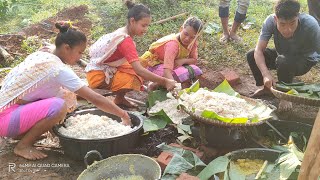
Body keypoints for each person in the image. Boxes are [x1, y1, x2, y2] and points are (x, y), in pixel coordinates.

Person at [0, 22, 132, 160]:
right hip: (5, 121)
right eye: (80, 52)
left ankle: (20, 133)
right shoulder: (58, 69)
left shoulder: (43, 55)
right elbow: (95, 98)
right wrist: (123, 114)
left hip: (6, 113)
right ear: (67, 48)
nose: (80, 57)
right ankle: (23, 146)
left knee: (64, 95)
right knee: (59, 106)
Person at [85, 0, 176, 108]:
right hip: (98, 76)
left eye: (147, 26)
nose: (146, 29)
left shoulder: (123, 32)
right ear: (132, 21)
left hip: (99, 68)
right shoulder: (125, 40)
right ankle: (117, 97)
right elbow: (139, 70)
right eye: (143, 25)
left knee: (141, 62)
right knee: (136, 76)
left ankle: (120, 98)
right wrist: (165, 81)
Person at [246, 0, 320, 111]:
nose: (288, 29)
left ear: (298, 17)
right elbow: (259, 51)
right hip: (283, 54)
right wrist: (265, 74)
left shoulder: (310, 24)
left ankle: (286, 96)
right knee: (251, 55)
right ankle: (266, 88)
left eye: (292, 23)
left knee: (283, 61)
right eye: (282, 24)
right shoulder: (270, 21)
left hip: (304, 59)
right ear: (276, 19)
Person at [140, 16, 203, 89]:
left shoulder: (193, 42)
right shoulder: (173, 44)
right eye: (186, 34)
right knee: (174, 75)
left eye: (192, 37)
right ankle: (154, 85)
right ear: (181, 29)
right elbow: (167, 70)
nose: (187, 39)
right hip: (155, 65)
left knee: (195, 70)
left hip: (172, 64)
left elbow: (194, 60)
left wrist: (182, 61)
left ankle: (160, 84)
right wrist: (173, 87)